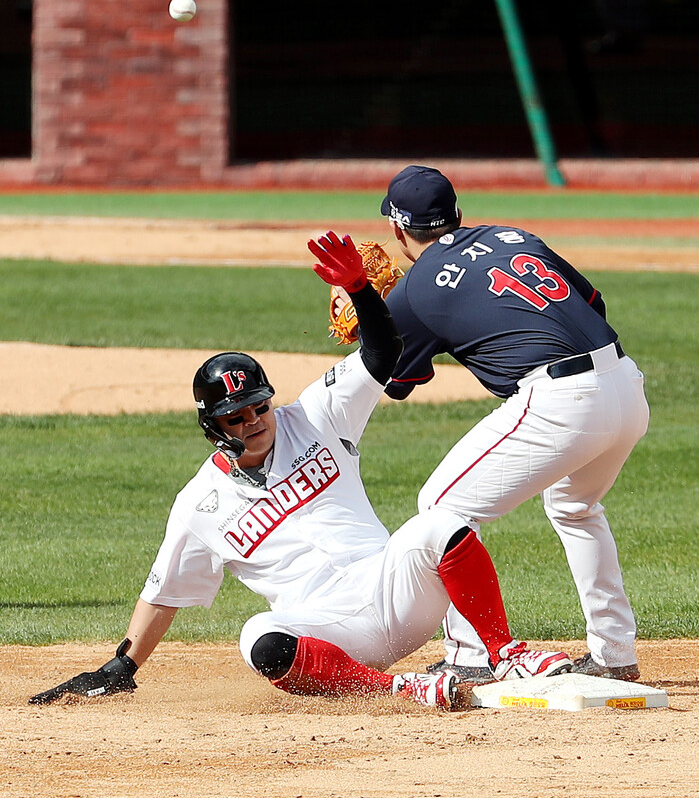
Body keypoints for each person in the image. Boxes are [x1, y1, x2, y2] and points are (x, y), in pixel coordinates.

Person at [29, 232, 571, 711]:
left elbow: (384, 353)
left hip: (395, 590)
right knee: (257, 637)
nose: (254, 421)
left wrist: (360, 289)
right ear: (213, 427)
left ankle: (505, 653)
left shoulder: (317, 415)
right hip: (326, 632)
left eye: (259, 407)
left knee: (440, 521)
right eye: (237, 417)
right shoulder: (198, 505)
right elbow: (163, 592)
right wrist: (121, 667)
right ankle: (399, 690)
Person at [374, 165, 650, 683]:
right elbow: (593, 303)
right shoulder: (513, 237)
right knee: (575, 508)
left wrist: (374, 314)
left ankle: (472, 653)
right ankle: (614, 654)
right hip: (626, 383)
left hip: (562, 400)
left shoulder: (414, 290)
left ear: (396, 228)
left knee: (441, 507)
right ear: (458, 213)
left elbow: (396, 381)